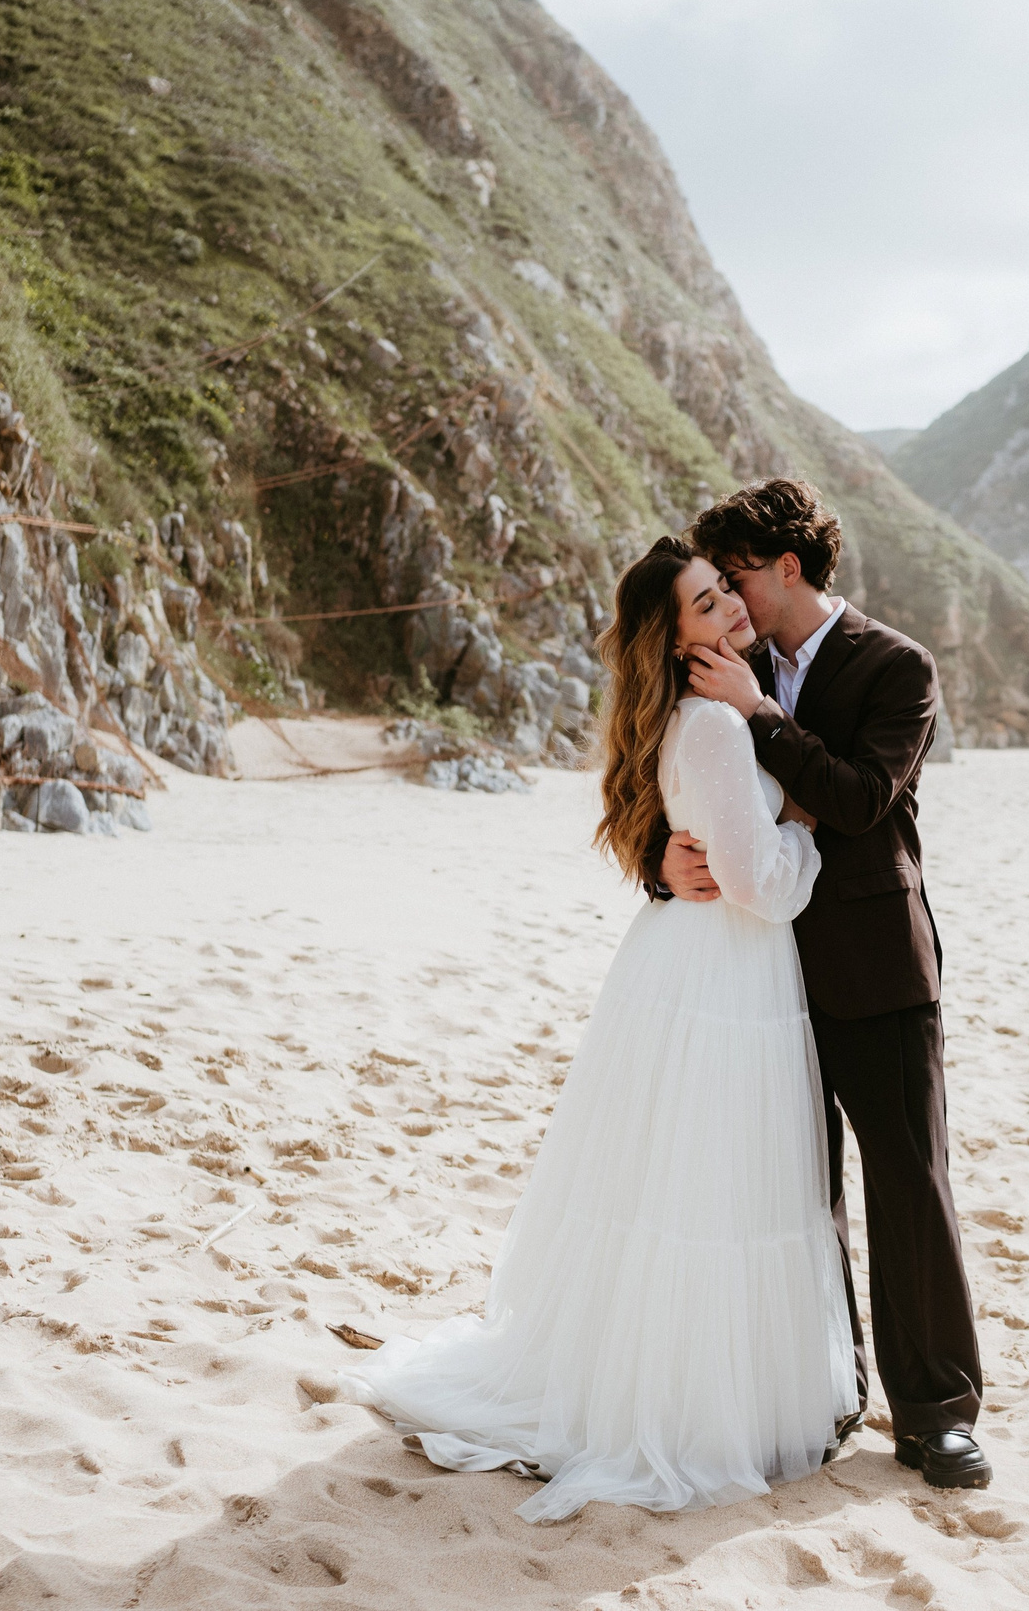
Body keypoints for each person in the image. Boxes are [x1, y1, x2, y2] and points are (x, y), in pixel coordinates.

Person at [347, 537, 858, 1523]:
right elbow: (758, 886)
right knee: (711, 1185)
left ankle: (690, 1383)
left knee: (688, 1182)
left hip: (693, 962)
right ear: (675, 640)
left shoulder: (696, 717)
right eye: (707, 608)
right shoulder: (712, 726)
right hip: (728, 968)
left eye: (724, 593)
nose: (730, 613)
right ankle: (688, 1404)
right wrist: (806, 828)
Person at [659, 476, 989, 1492]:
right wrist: (659, 864)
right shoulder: (725, 665)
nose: (725, 599)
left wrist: (759, 715)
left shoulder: (897, 665)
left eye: (736, 577)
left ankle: (936, 1413)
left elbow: (854, 800)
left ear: (785, 568)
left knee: (907, 1184)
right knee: (798, 1193)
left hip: (877, 967)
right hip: (760, 976)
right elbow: (669, 781)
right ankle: (826, 1390)